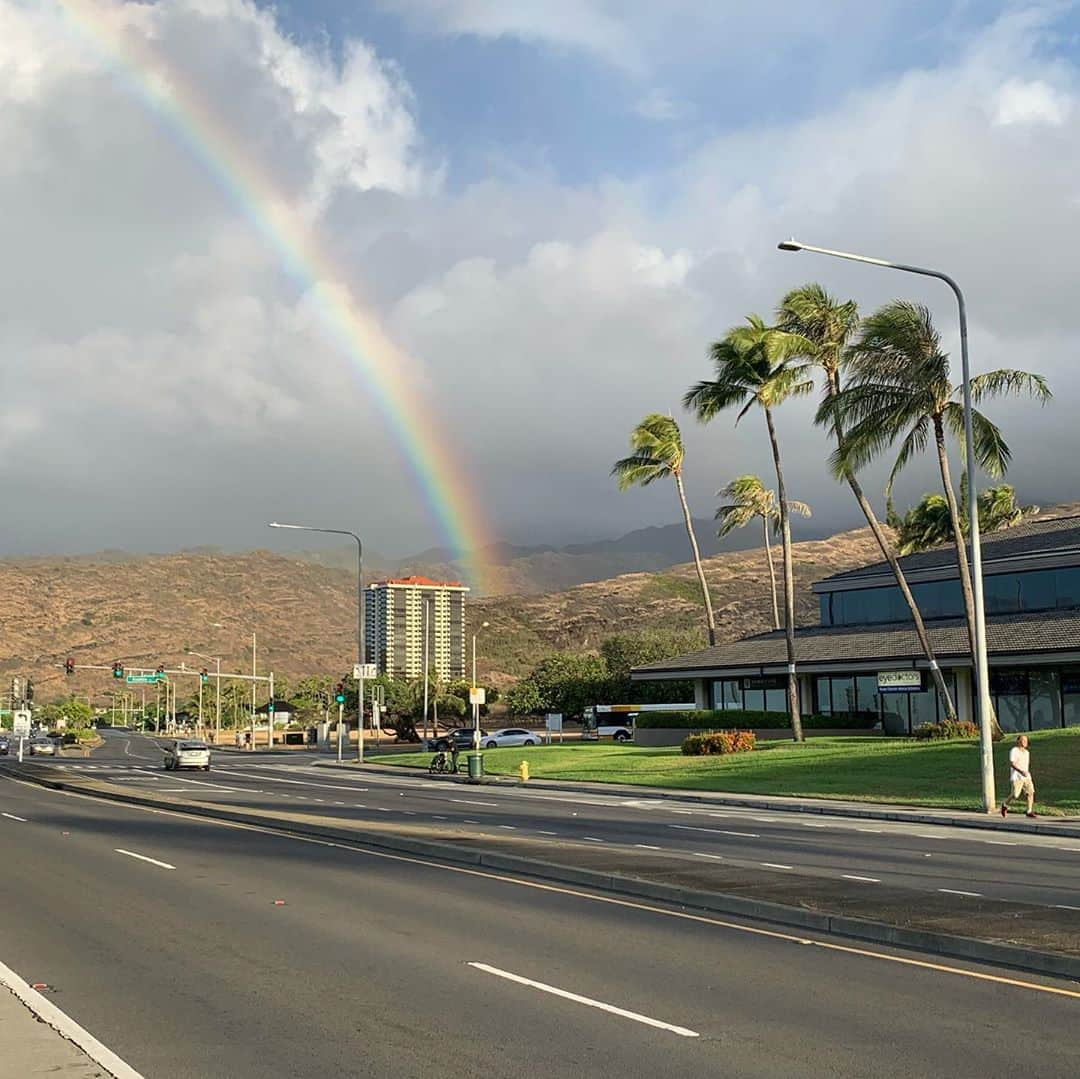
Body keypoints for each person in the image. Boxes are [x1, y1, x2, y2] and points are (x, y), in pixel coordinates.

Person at [1001, 734, 1037, 818]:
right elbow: (1012, 764)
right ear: (1018, 741)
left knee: (1030, 792)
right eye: (1023, 740)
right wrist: (1020, 771)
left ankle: (1029, 811)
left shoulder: (1027, 753)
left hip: (1026, 776)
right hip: (1017, 776)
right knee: (1015, 795)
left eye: (1026, 741)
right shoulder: (1014, 750)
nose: (1025, 742)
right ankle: (1005, 804)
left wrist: (1026, 773)